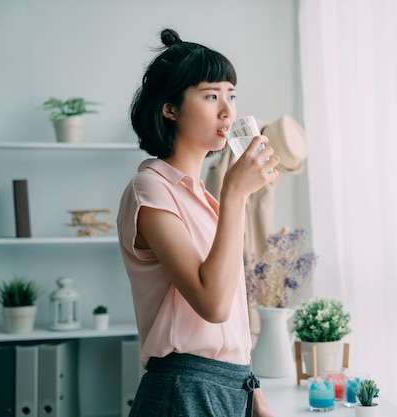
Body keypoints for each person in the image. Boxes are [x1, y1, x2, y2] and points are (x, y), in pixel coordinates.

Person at [116, 28, 278, 417]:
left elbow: (231, 325)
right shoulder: (150, 190)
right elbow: (212, 304)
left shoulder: (203, 200)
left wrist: (255, 399)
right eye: (211, 96)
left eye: (231, 95)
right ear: (169, 108)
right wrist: (236, 194)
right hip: (182, 390)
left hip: (230, 388)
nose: (228, 111)